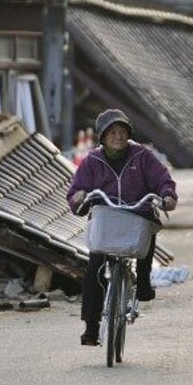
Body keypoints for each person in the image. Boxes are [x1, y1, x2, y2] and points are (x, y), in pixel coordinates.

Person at [66, 108, 178, 346]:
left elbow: (162, 179)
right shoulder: (93, 161)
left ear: (128, 133)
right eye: (112, 132)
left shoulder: (142, 156)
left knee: (148, 234)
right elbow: (77, 189)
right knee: (94, 271)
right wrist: (78, 198)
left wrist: (167, 195)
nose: (118, 136)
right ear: (103, 137)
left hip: (137, 213)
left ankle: (144, 283)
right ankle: (91, 328)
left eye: (122, 131)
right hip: (106, 219)